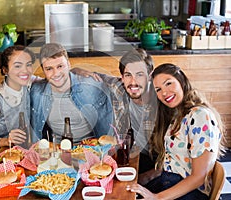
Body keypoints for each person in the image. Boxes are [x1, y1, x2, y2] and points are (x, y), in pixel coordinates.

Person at [129, 63, 225, 199]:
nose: (164, 93)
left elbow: (199, 176)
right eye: (158, 89)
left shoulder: (200, 115)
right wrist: (148, 176)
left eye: (168, 83)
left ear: (181, 81)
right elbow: (176, 162)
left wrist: (157, 197)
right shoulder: (178, 115)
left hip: (191, 194)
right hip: (169, 182)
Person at [73, 48, 158, 183]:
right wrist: (79, 70)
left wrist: (148, 176)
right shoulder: (118, 86)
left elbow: (172, 154)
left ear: (150, 75)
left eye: (140, 74)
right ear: (122, 77)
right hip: (125, 157)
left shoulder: (160, 100)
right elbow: (78, 73)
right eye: (128, 75)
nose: (133, 81)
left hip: (153, 164)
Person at [30, 43, 114, 143]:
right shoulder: (36, 91)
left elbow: (119, 84)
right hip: (56, 150)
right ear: (43, 70)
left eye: (60, 66)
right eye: (49, 69)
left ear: (69, 65)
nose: (56, 73)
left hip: (90, 148)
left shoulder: (91, 86)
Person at [0, 45, 40, 152]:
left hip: (25, 153)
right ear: (5, 70)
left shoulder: (29, 84)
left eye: (29, 65)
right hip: (0, 159)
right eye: (17, 66)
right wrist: (5, 141)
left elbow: (53, 80)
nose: (25, 71)